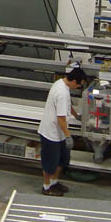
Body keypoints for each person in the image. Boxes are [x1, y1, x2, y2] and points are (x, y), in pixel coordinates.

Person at [37, 66, 87, 196]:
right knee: (50, 162)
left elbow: (67, 105)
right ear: (75, 81)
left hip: (59, 133)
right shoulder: (62, 93)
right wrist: (68, 136)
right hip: (51, 133)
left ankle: (54, 182)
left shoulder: (61, 83)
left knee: (62, 161)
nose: (78, 88)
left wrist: (76, 115)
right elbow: (61, 118)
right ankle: (46, 186)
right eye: (79, 85)